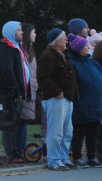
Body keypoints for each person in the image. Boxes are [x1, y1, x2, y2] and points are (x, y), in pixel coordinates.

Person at [38, 29, 77, 171]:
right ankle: (54, 160)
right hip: (56, 99)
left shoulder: (62, 56)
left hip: (66, 99)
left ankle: (64, 158)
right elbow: (43, 78)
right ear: (58, 42)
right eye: (65, 38)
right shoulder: (47, 56)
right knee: (56, 131)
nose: (67, 41)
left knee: (67, 131)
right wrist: (57, 92)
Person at [0, 22, 32, 164]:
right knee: (9, 123)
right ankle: (11, 153)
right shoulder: (6, 50)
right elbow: (8, 72)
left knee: (15, 123)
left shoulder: (17, 48)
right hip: (9, 94)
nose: (22, 32)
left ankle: (16, 151)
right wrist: (16, 92)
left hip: (18, 92)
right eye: (18, 30)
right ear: (10, 32)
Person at [67, 33, 102, 167]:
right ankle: (76, 156)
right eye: (85, 45)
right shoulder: (73, 63)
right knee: (79, 132)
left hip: (95, 102)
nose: (88, 47)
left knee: (93, 131)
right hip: (82, 102)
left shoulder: (91, 62)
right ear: (78, 48)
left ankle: (92, 157)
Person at [20, 23, 39, 140]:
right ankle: (18, 150)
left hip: (30, 90)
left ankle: (21, 148)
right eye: (33, 32)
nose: (35, 34)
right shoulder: (23, 52)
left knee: (24, 120)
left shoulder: (29, 51)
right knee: (22, 121)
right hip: (26, 90)